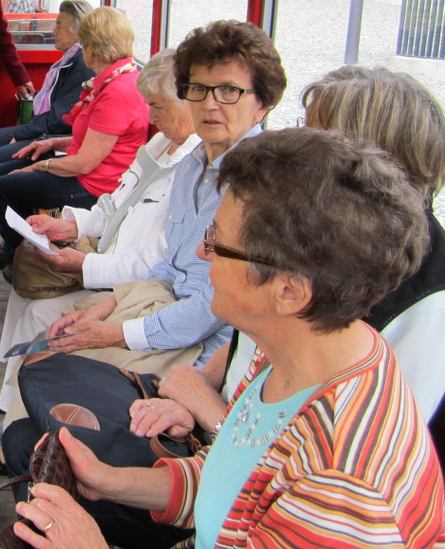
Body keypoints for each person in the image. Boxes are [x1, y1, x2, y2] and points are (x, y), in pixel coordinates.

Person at [9, 128, 445, 549]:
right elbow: (234, 477)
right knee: (26, 443)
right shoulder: (291, 352)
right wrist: (108, 480)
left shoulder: (340, 485)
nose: (201, 252)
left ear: (289, 291)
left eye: (217, 241)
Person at [1, 22, 287, 521]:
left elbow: (214, 310)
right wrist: (110, 306)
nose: (210, 104)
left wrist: (115, 332)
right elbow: (168, 265)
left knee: (53, 366)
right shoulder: (194, 164)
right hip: (158, 302)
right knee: (48, 354)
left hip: (203, 348)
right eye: (198, 89)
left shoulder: (261, 185)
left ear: (262, 104)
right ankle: (42, 486)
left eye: (229, 91)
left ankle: (55, 501)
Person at [132, 66, 445, 445]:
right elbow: (257, 341)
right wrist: (200, 384)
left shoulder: (427, 304)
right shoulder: (315, 236)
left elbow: (357, 455)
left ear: (363, 170)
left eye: (312, 138)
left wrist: (209, 413)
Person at [0, 49, 199, 417]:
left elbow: (158, 263)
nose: (151, 117)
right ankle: (12, 397)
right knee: (26, 286)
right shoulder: (160, 145)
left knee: (40, 312)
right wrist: (71, 225)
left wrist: (85, 265)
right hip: (108, 254)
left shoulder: (194, 169)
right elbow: (113, 205)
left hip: (133, 285)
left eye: (158, 106)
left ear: (191, 100)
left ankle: (21, 409)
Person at [0, 7, 149, 275]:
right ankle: (23, 247)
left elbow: (84, 163)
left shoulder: (117, 92)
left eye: (83, 43)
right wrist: (53, 144)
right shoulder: (114, 79)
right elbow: (94, 137)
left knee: (0, 188)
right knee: (1, 171)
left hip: (94, 187)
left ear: (92, 48)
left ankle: (24, 258)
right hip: (86, 171)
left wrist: (38, 166)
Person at [0, 0, 95, 192]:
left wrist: (22, 134)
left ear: (79, 32)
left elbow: (60, 119)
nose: (53, 32)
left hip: (57, 136)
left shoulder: (82, 66)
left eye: (59, 26)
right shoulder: (69, 60)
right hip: (47, 128)